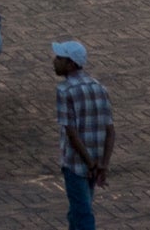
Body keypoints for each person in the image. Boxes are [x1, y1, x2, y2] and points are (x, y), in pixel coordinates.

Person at [48, 41, 112, 230]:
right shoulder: (99, 88)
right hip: (96, 163)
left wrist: (89, 162)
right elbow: (110, 131)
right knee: (78, 209)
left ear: (71, 64)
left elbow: (72, 134)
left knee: (83, 214)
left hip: (76, 164)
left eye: (59, 58)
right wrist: (103, 164)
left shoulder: (64, 90)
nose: (54, 61)